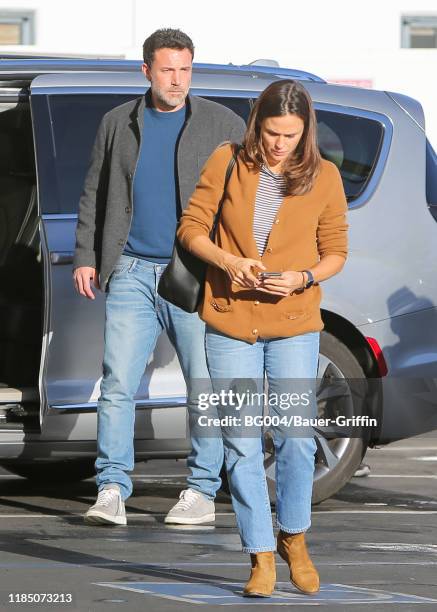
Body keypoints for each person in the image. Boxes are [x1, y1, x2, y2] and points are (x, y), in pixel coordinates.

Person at [177, 79, 348, 597]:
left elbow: (335, 251)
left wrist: (302, 277)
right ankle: (261, 554)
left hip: (294, 322)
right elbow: (191, 228)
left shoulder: (325, 176)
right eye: (273, 132)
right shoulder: (228, 159)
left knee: (297, 438)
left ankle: (294, 536)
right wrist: (229, 262)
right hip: (230, 320)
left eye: (291, 135)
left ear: (306, 132)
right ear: (258, 125)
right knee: (241, 441)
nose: (280, 144)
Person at [73, 28, 246, 527]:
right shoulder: (117, 122)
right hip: (129, 268)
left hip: (193, 272)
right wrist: (87, 254)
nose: (177, 79)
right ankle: (111, 489)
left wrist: (229, 260)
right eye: (168, 69)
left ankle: (201, 490)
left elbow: (245, 197)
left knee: (202, 385)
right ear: (146, 70)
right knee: (117, 383)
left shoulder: (221, 123)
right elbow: (94, 192)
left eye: (185, 69)